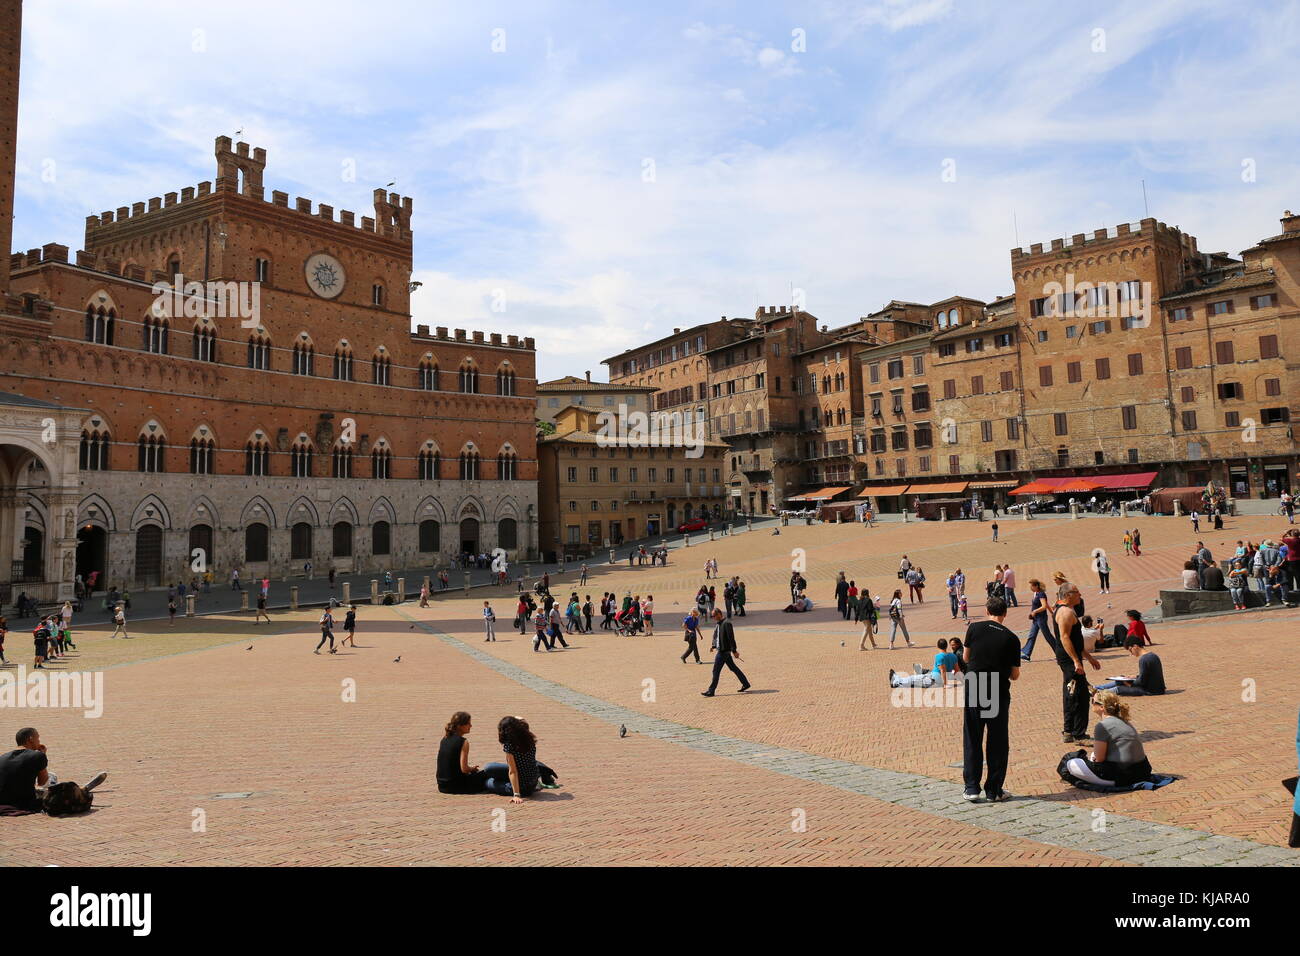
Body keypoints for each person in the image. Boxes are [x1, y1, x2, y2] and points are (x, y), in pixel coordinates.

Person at [961, 595, 1021, 802]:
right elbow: (1014, 675)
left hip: (976, 685)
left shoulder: (974, 628)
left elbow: (966, 658)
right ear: (1005, 613)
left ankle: (971, 787)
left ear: (987, 611)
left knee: (973, 736)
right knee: (997, 740)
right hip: (997, 688)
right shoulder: (1012, 638)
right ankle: (994, 790)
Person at [1061, 691, 1153, 788]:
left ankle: (1081, 778)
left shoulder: (1102, 726)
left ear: (1102, 707)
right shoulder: (1124, 721)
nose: (1091, 703)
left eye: (1093, 701)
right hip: (1142, 772)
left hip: (1122, 777)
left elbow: (1100, 758)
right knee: (1092, 755)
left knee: (1070, 762)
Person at [1053, 582, 1101, 744]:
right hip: (1069, 660)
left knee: (1073, 693)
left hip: (1070, 658)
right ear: (1068, 595)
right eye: (1077, 592)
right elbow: (1065, 638)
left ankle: (1070, 731)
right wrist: (1076, 661)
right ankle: (1076, 733)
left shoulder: (1066, 610)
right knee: (1077, 695)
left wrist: (1088, 657)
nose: (1080, 595)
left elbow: (1075, 641)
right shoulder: (1065, 613)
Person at [481, 716, 559, 803]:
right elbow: (521, 719)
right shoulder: (529, 737)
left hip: (523, 789)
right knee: (490, 767)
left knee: (488, 781)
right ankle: (536, 783)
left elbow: (513, 771)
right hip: (532, 781)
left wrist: (516, 795)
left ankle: (512, 786)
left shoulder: (509, 745)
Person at [437, 712, 491, 794]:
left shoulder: (444, 738)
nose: (471, 726)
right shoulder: (463, 742)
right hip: (457, 786)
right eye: (468, 724)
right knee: (489, 772)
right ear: (460, 726)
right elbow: (464, 769)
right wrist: (472, 769)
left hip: (442, 786)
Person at [1095, 635, 1165, 696]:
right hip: (1158, 688)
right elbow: (1149, 675)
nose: (1131, 653)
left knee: (1119, 688)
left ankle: (1097, 693)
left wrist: (1129, 684)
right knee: (1120, 681)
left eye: (1130, 650)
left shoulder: (1143, 659)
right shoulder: (1153, 655)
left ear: (1135, 646)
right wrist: (1135, 677)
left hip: (1150, 690)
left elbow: (1141, 682)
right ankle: (1096, 688)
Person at [701, 608, 748, 697]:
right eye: (712, 616)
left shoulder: (727, 623)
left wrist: (734, 650)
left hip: (723, 652)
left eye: (714, 615)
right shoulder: (719, 624)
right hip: (722, 651)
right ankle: (745, 683)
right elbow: (718, 636)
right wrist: (714, 646)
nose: (713, 617)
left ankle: (711, 691)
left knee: (716, 671)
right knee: (733, 668)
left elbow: (731, 638)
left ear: (719, 614)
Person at [889, 638, 958, 688]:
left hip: (934, 680)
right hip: (935, 677)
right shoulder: (953, 656)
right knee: (916, 679)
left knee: (913, 679)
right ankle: (897, 678)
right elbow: (957, 670)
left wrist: (945, 684)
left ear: (937, 646)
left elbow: (943, 670)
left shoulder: (939, 656)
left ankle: (896, 682)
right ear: (946, 646)